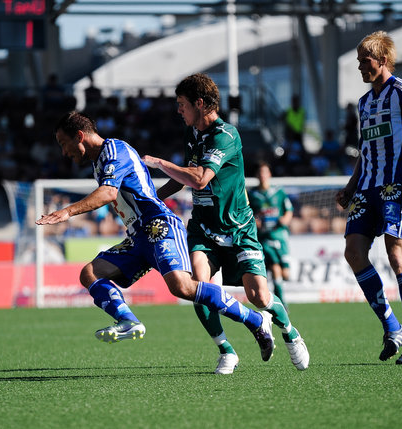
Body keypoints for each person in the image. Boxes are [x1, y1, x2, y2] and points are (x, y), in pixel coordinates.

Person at [36, 111, 275, 365]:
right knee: (89, 274)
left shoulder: (115, 150)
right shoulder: (100, 162)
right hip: (138, 236)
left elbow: (107, 193)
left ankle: (256, 320)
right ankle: (127, 320)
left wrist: (67, 211)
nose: (64, 152)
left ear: (80, 136)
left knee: (182, 287)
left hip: (159, 225)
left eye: (64, 143)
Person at [142, 73, 309, 374]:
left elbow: (201, 177)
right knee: (200, 287)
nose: (178, 110)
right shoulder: (192, 134)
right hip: (204, 230)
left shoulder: (226, 135)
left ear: (200, 104)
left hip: (238, 229)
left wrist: (159, 163)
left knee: (259, 296)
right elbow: (183, 179)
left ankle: (289, 332)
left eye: (182, 104)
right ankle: (226, 350)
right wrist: (149, 196)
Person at [335, 31, 402, 365]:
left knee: (398, 256)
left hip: (397, 186)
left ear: (381, 60)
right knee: (353, 252)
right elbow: (366, 151)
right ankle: (391, 326)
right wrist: (352, 185)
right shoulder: (365, 102)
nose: (359, 67)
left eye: (363, 61)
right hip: (367, 186)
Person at [248, 162, 294, 309]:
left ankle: (275, 301)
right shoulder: (252, 195)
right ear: (257, 176)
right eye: (260, 173)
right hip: (263, 237)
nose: (262, 175)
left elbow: (288, 210)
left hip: (280, 236)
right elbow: (246, 213)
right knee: (274, 267)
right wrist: (254, 221)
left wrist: (285, 219)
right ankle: (281, 303)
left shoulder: (279, 193)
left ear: (269, 175)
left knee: (285, 273)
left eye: (265, 172)